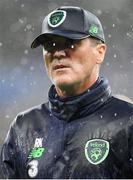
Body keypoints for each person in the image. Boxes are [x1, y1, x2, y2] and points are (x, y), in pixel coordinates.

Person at [1, 6, 133, 179]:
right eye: (50, 45)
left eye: (70, 43)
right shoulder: (23, 127)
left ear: (99, 52)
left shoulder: (127, 122)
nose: (58, 53)